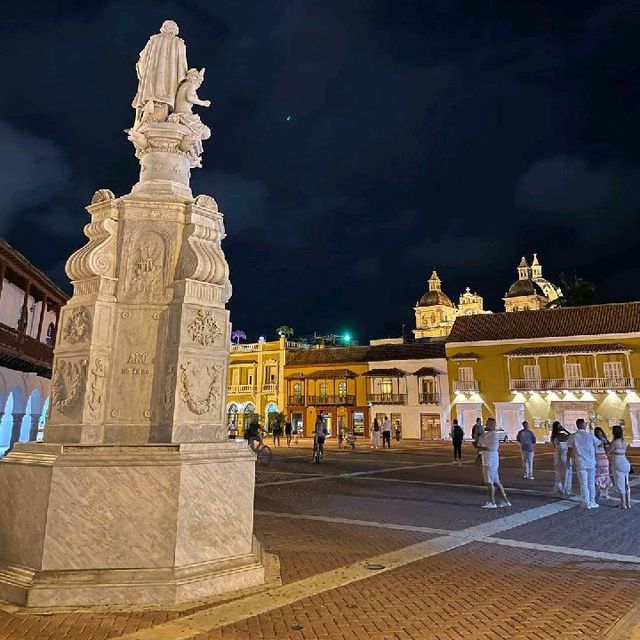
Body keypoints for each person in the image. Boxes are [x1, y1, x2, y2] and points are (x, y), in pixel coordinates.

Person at [567, 418, 602, 509]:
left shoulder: (573, 436)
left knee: (583, 483)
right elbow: (599, 443)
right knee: (591, 482)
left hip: (580, 462)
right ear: (584, 425)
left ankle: (586, 502)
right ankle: (592, 501)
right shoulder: (590, 435)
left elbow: (570, 450)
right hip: (590, 461)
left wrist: (569, 461)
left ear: (577, 425)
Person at [477, 418, 510, 509]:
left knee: (489, 482)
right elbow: (479, 443)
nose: (486, 425)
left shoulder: (493, 435)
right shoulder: (487, 434)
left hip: (490, 461)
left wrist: (480, 448)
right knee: (496, 481)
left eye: (488, 423)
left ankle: (492, 502)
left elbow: (490, 447)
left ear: (492, 424)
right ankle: (505, 501)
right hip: (489, 460)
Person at [607, 425, 632, 509]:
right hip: (625, 462)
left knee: (620, 484)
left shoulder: (615, 442)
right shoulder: (624, 441)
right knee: (626, 483)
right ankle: (628, 503)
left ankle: (623, 504)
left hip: (618, 463)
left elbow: (608, 452)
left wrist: (606, 446)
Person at [550, 421, 572, 496]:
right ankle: (565, 489)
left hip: (557, 455)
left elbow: (554, 446)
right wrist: (565, 430)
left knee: (558, 472)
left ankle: (559, 487)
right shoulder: (562, 435)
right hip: (564, 456)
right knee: (567, 472)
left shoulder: (553, 436)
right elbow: (571, 436)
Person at [593, 427, 612, 499]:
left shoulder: (596, 440)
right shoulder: (603, 440)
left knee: (599, 476)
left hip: (599, 458)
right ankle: (604, 493)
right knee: (604, 476)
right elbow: (607, 448)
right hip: (602, 458)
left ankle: (601, 492)